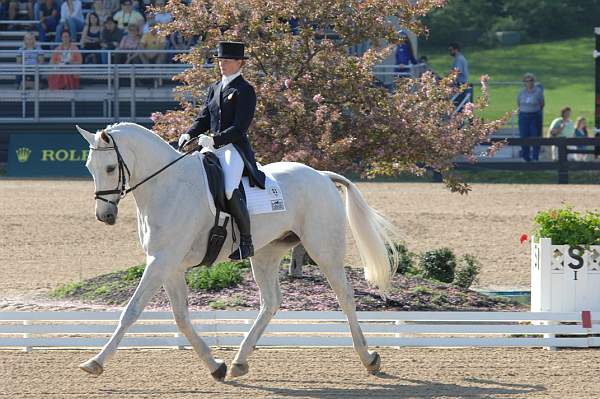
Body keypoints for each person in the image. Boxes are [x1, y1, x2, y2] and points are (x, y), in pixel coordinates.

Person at [178, 41, 266, 260]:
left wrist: (215, 140)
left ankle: (246, 241)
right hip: (210, 146)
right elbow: (204, 117)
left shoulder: (245, 90)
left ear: (239, 63)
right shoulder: (215, 88)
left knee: (228, 188)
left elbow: (240, 127)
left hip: (232, 148)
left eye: (226, 61)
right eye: (220, 60)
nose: (222, 64)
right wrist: (189, 133)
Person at [517, 73, 545, 162]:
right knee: (524, 136)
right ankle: (526, 158)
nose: (529, 82)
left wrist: (534, 111)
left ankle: (535, 157)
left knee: (535, 136)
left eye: (531, 80)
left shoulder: (538, 91)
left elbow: (542, 104)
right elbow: (518, 103)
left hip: (534, 116)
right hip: (523, 116)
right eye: (527, 81)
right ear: (524, 82)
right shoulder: (521, 92)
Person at [448, 42, 471, 109]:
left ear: (456, 50)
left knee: (459, 106)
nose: (450, 52)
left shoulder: (459, 59)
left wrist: (447, 76)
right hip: (461, 85)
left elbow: (457, 71)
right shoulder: (459, 58)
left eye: (451, 50)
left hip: (460, 85)